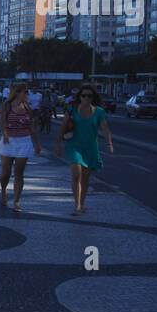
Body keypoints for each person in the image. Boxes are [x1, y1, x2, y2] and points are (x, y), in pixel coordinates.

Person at [55, 83, 113, 216]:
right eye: (84, 96)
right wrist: (57, 144)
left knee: (85, 178)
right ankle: (77, 205)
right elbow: (63, 127)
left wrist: (109, 144)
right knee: (76, 173)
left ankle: (82, 203)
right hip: (74, 145)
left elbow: (105, 129)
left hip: (90, 147)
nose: (86, 98)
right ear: (79, 97)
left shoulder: (99, 111)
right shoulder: (71, 109)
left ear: (93, 97)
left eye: (89, 96)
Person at [0, 84, 40, 211]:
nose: (27, 94)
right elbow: (2, 122)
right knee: (5, 173)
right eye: (25, 92)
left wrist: (36, 144)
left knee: (19, 173)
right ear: (17, 93)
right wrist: (5, 135)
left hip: (24, 141)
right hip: (9, 141)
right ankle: (3, 191)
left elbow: (31, 127)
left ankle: (16, 201)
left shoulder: (28, 107)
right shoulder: (6, 106)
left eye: (27, 92)